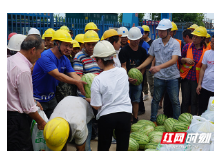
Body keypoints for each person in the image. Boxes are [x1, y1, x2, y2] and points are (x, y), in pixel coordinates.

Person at [32, 29, 86, 119]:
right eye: (66, 45)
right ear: (57, 43)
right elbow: (58, 75)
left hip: (51, 98)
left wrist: (86, 83)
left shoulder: (65, 59)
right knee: (38, 129)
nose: (69, 49)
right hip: (36, 99)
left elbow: (74, 75)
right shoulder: (45, 56)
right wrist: (76, 82)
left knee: (54, 126)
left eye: (70, 46)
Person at [136, 19, 181, 125]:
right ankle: (153, 120)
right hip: (159, 77)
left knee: (175, 101)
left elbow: (174, 60)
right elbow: (150, 58)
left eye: (162, 30)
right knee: (155, 100)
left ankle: (177, 123)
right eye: (159, 30)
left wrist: (158, 67)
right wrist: (139, 67)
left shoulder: (175, 43)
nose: (160, 32)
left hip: (172, 77)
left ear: (169, 31)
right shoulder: (155, 43)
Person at [89, 40, 132, 151]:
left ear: (98, 61)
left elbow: (97, 105)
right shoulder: (123, 72)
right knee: (122, 147)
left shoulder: (97, 79)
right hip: (125, 114)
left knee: (104, 147)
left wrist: (89, 99)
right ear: (113, 57)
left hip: (107, 116)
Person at [7, 35, 46, 151]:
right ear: (33, 50)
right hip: (16, 121)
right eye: (41, 52)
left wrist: (33, 101)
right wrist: (41, 122)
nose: (40, 56)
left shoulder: (9, 61)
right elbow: (28, 107)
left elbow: (13, 92)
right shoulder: (23, 70)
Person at [73, 30, 100, 151]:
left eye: (93, 44)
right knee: (86, 125)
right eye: (88, 44)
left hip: (99, 96)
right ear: (83, 44)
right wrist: (88, 97)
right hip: (85, 97)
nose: (91, 47)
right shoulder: (79, 56)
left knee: (99, 124)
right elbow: (78, 77)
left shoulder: (100, 54)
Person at [119, 27, 148, 124]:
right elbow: (123, 66)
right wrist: (127, 78)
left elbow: (144, 66)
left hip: (137, 81)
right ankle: (128, 117)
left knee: (136, 99)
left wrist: (140, 77)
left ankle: (135, 118)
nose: (136, 41)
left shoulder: (143, 51)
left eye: (137, 39)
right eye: (133, 40)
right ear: (129, 39)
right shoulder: (124, 51)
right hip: (126, 80)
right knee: (127, 100)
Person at [179, 26, 208, 115]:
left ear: (202, 38)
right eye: (193, 36)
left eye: (196, 37)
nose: (194, 38)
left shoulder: (206, 50)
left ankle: (193, 120)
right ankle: (183, 119)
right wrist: (185, 60)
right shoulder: (187, 47)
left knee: (194, 102)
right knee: (185, 101)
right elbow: (179, 58)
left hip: (197, 80)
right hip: (186, 78)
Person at [196, 35, 214, 115]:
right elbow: (203, 69)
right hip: (205, 86)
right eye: (211, 42)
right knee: (202, 109)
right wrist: (200, 84)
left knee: (212, 110)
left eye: (213, 43)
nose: (211, 44)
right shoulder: (207, 53)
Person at [142, 25, 154, 101]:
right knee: (143, 81)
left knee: (151, 82)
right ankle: (146, 94)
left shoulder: (152, 42)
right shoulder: (140, 42)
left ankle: (153, 95)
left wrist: (152, 65)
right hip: (142, 65)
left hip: (149, 66)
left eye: (144, 33)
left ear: (147, 33)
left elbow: (153, 55)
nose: (142, 35)